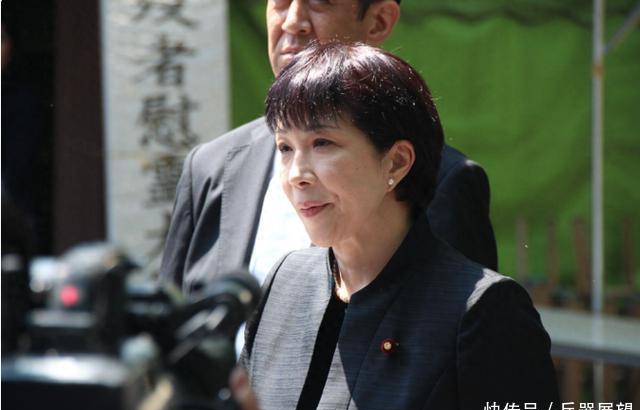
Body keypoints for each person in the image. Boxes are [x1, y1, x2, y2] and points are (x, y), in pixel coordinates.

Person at [237, 42, 561, 410]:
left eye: (322, 143)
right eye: (285, 147)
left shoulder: (481, 310)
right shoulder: (285, 281)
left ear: (396, 162)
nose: (296, 175)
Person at [160, 0, 497, 299]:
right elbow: (167, 325)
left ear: (378, 21)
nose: (293, 21)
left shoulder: (445, 181)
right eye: (279, 1)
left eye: (320, 2)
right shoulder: (210, 166)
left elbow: (456, 326)